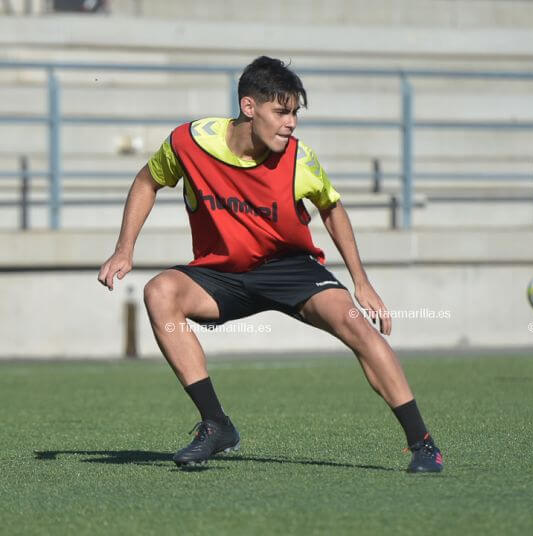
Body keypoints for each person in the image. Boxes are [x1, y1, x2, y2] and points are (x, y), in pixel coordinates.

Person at [97, 56, 443, 473]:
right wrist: (124, 249)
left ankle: (423, 443)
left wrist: (361, 282)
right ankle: (216, 424)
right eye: (281, 111)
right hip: (222, 273)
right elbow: (146, 181)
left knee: (355, 325)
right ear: (248, 107)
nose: (291, 122)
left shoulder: (300, 159)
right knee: (160, 292)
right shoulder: (189, 143)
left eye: (295, 112)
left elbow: (332, 209)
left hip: (290, 268)